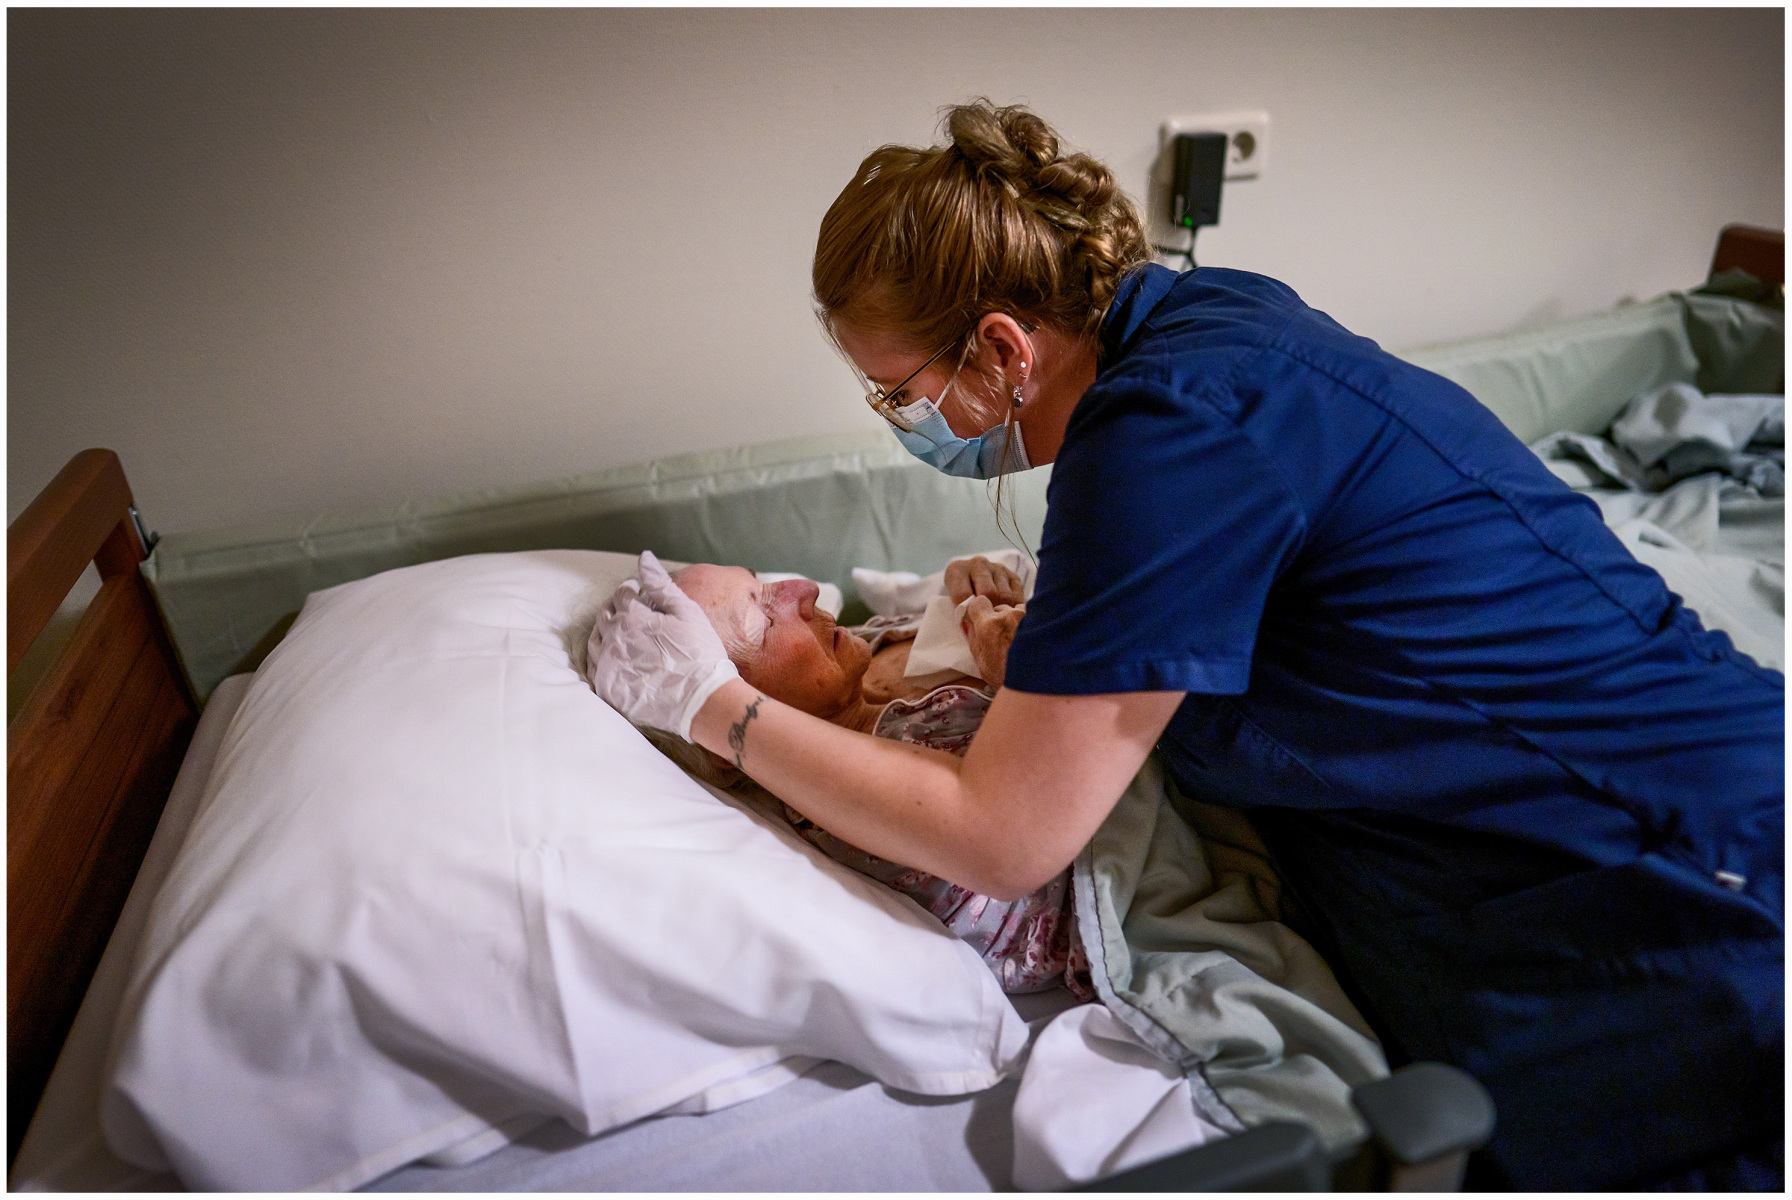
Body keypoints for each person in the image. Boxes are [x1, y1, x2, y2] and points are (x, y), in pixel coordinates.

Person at [588, 100, 1783, 1190]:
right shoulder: (1206, 320)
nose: (905, 424)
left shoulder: (1160, 434)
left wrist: (713, 706)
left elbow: (1002, 839)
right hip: (1602, 805)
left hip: (1665, 867)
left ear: (1002, 349)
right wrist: (1057, 639)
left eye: (901, 394)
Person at [609, 558, 1088, 997]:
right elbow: (1031, 861)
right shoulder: (852, 816)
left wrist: (977, 600)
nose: (805, 588)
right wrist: (1043, 684)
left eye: (760, 581)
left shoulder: (855, 654)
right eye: (761, 619)